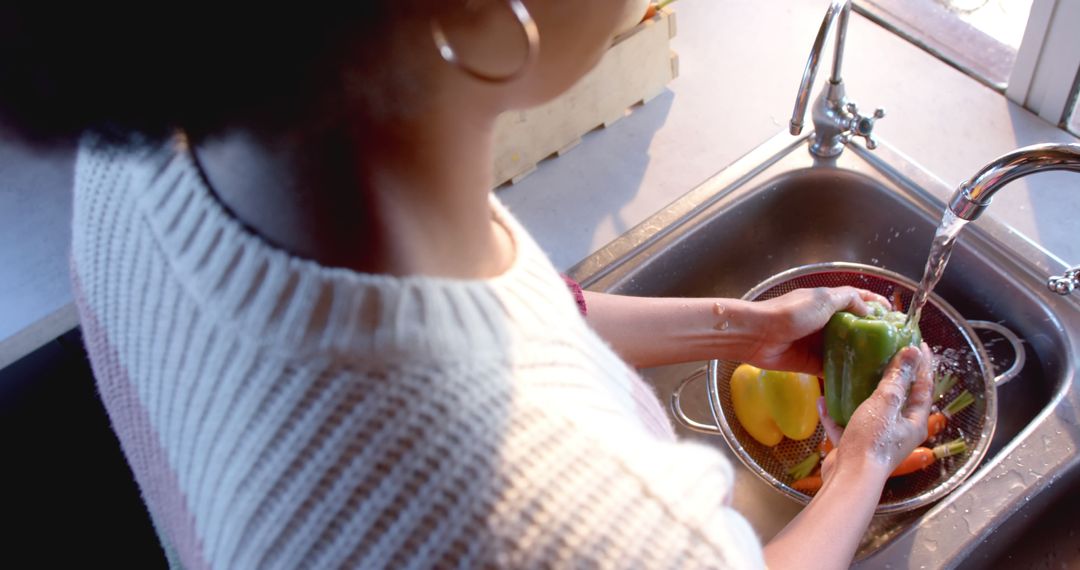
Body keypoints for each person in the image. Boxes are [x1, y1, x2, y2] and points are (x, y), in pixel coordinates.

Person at [0, 2, 934, 568]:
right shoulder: (585, 531)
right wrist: (858, 465)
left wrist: (748, 327)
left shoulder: (150, 147)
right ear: (489, 11)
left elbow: (513, 317)